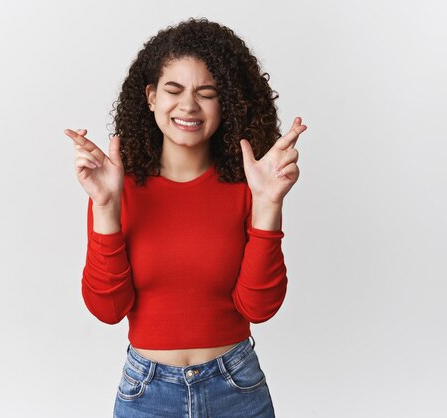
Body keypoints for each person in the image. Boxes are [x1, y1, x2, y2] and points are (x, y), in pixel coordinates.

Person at [64, 17, 307, 418]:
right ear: (150, 97)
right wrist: (106, 206)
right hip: (147, 393)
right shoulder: (116, 188)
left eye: (206, 93)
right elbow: (108, 309)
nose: (188, 105)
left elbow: (258, 308)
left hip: (237, 389)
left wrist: (268, 206)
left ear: (224, 102)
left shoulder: (250, 186)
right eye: (173, 90)